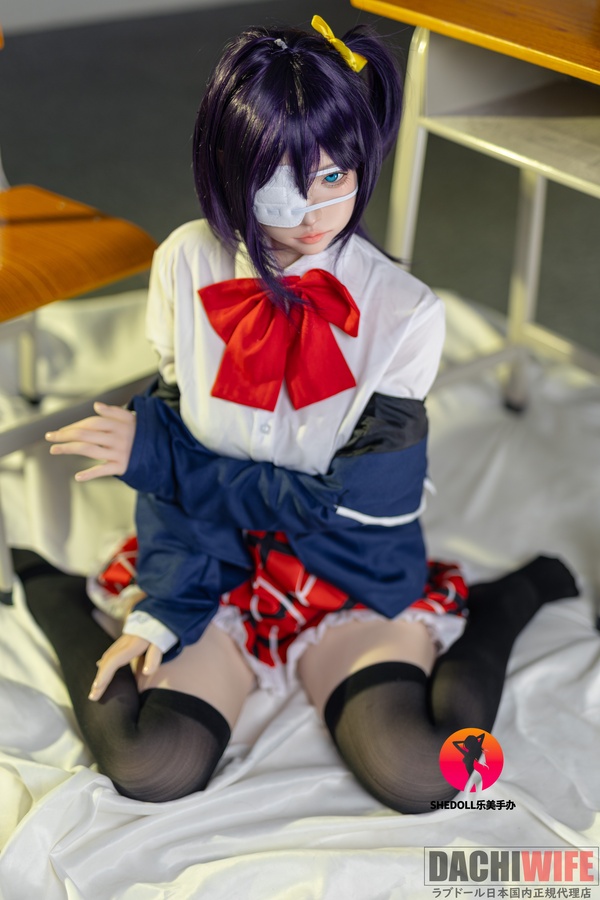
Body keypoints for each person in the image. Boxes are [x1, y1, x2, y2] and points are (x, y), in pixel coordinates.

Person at [20, 16, 578, 813]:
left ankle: (503, 604)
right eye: (285, 182)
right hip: (214, 557)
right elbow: (176, 447)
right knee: (150, 764)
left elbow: (348, 505)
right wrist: (165, 604)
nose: (316, 210)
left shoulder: (406, 312)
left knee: (425, 774)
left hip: (343, 564)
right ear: (229, 170)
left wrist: (163, 457)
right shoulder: (185, 261)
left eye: (336, 175)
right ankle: (55, 594)